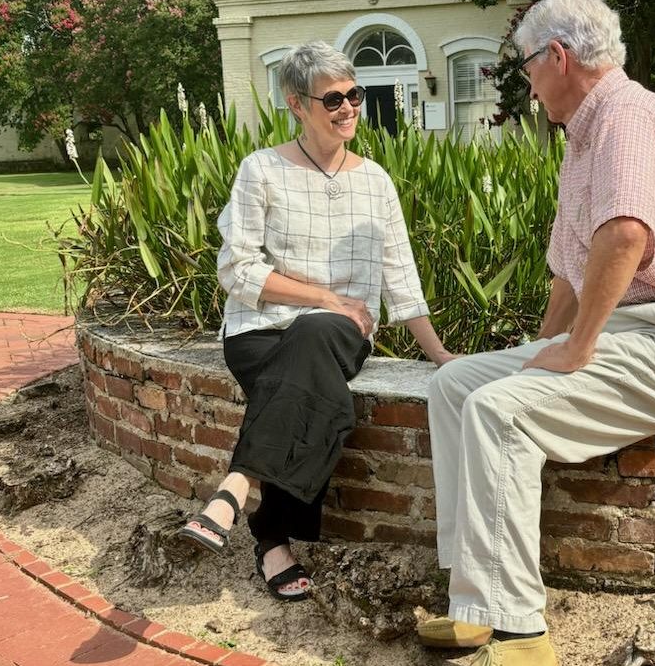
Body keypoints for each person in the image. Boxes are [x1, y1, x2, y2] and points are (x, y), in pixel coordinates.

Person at [416, 0, 655, 664]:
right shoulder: (583, 139)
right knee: (455, 386)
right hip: (628, 335)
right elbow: (570, 274)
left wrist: (577, 347)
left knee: (500, 411)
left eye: (527, 68)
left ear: (558, 57)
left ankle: (518, 632)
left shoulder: (629, 116)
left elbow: (625, 237)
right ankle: (473, 601)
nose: (529, 85)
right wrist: (544, 345)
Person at [178, 41, 455, 601]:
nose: (349, 107)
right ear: (296, 104)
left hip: (337, 334)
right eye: (333, 99)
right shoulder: (261, 170)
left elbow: (400, 273)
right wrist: (326, 296)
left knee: (314, 336)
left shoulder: (375, 180)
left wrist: (440, 355)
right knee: (307, 381)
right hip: (258, 331)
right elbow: (236, 270)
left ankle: (237, 488)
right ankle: (270, 539)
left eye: (355, 95)